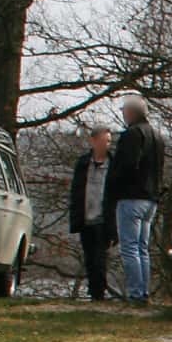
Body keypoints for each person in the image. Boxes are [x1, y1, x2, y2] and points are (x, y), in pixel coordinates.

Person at [106, 94, 164, 303]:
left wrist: (114, 186)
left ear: (131, 112)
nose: (123, 114)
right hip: (151, 198)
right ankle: (144, 291)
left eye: (124, 111)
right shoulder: (157, 136)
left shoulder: (133, 134)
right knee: (142, 247)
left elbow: (126, 166)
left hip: (132, 196)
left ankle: (135, 293)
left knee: (129, 247)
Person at [68, 126, 116, 300]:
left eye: (109, 141)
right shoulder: (83, 163)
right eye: (104, 141)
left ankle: (98, 292)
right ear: (93, 141)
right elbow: (75, 191)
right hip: (85, 216)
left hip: (104, 219)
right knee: (89, 256)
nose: (107, 144)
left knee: (100, 257)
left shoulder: (114, 164)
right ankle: (93, 289)